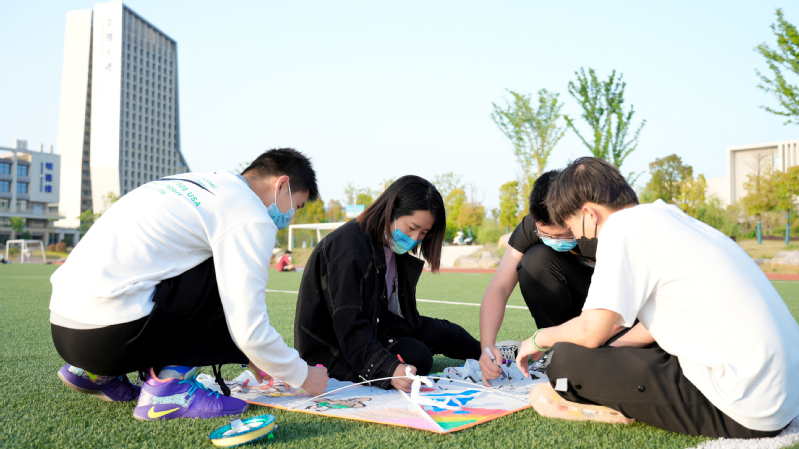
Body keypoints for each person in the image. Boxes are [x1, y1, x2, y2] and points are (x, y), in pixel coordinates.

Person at [515, 157, 799, 438]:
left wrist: (540, 339)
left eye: (574, 229)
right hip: (783, 390)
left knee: (563, 360)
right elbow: (658, 321)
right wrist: (610, 352)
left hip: (749, 405)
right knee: (602, 352)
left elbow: (591, 329)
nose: (579, 239)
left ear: (589, 214)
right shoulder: (668, 216)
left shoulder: (620, 228)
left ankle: (603, 401)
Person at [49, 148, 329, 421]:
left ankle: (96, 374)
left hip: (67, 331)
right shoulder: (250, 214)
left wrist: (253, 357)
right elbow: (249, 330)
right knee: (224, 270)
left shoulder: (194, 184)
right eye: (296, 206)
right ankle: (169, 389)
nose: (290, 216)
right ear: (282, 185)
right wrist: (303, 374)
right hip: (109, 337)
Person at [294, 175, 482, 392]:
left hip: (377, 327)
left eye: (423, 233)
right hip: (336, 349)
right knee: (418, 356)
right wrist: (388, 368)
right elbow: (349, 323)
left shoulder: (391, 245)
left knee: (447, 333)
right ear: (391, 210)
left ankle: (491, 354)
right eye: (411, 227)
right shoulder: (348, 246)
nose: (415, 238)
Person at [479, 170, 597, 386]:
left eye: (561, 235)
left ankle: (580, 348)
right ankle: (555, 351)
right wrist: (487, 348)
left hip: (606, 305)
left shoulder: (602, 229)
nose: (553, 240)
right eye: (545, 234)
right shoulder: (530, 226)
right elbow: (499, 287)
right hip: (569, 314)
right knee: (535, 260)